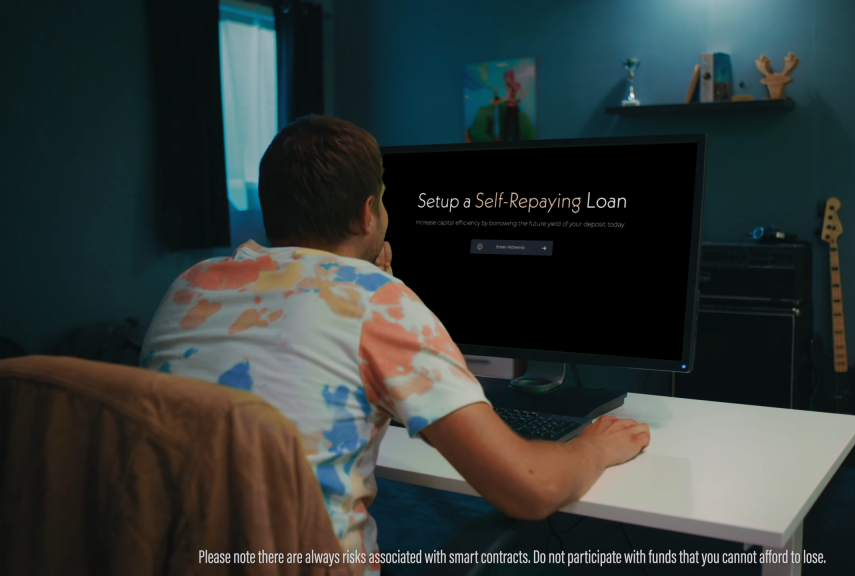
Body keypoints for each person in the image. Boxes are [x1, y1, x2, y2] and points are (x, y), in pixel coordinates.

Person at [140, 115, 649, 574]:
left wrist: (370, 287)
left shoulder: (191, 286)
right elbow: (530, 489)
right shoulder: (377, 301)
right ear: (368, 213)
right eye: (383, 198)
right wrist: (594, 447)